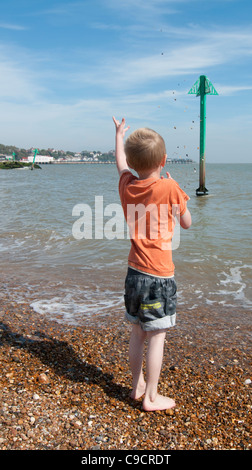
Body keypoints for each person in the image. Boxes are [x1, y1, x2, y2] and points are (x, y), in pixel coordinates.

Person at [112, 116, 192, 411]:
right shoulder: (170, 187)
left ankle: (136, 387)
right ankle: (152, 397)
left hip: (134, 273)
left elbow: (120, 162)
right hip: (159, 277)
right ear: (164, 160)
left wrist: (119, 136)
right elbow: (187, 223)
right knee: (156, 337)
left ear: (134, 164)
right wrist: (176, 190)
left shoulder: (127, 185)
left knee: (137, 333)